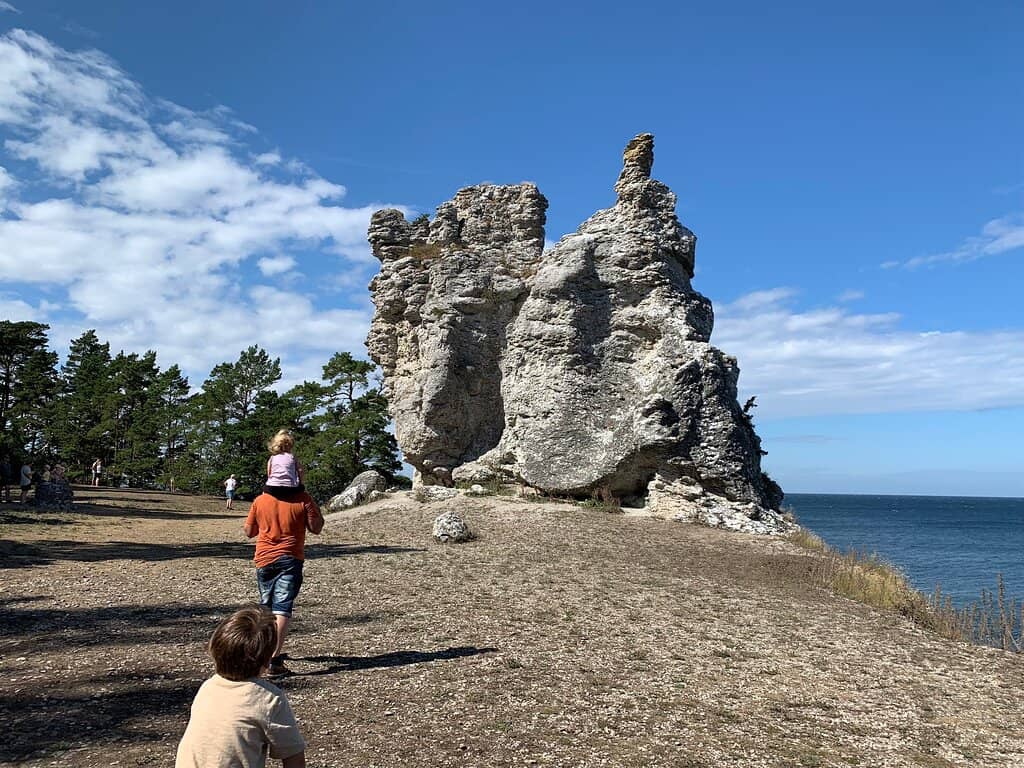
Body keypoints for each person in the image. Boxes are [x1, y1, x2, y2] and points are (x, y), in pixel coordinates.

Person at [175, 606, 307, 768]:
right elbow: (294, 757)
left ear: (214, 650)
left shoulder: (208, 687)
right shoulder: (269, 699)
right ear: (267, 661)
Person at [243, 485, 323, 676]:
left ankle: (260, 651)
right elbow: (316, 528)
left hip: (263, 559)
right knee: (282, 608)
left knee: (266, 607)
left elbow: (249, 531)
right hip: (290, 558)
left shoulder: (260, 500)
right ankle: (273, 660)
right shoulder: (303, 499)